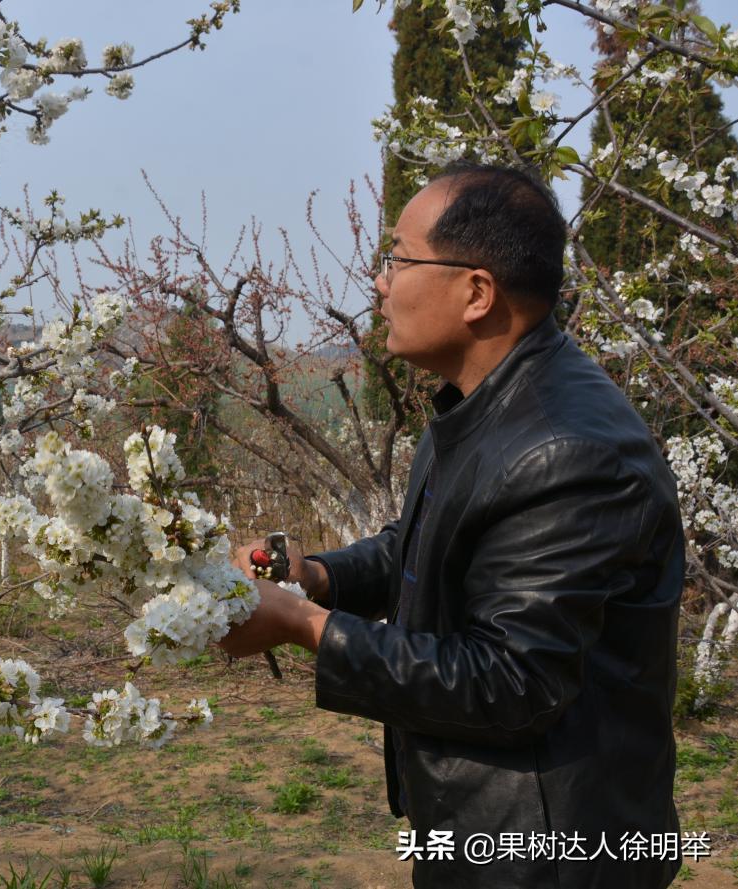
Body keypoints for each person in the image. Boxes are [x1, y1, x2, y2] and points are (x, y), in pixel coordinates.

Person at [223, 162, 684, 889]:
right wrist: (316, 576)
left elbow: (512, 680)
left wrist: (304, 626)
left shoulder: (564, 450)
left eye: (399, 259)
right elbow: (432, 546)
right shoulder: (488, 401)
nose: (380, 282)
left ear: (476, 292)